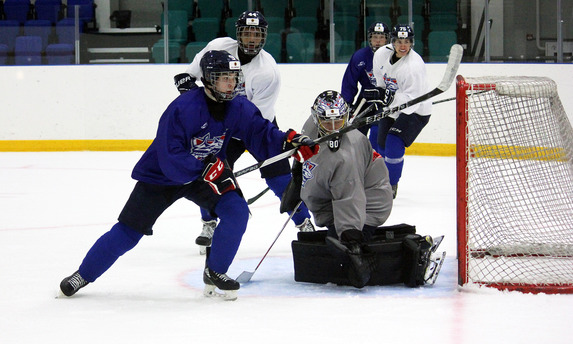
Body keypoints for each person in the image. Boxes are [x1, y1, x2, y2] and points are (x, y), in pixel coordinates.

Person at [59, 50, 319, 301]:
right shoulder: (183, 108)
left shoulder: (238, 107)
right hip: (161, 176)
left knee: (236, 211)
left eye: (233, 78)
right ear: (207, 78)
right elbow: (170, 154)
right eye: (223, 78)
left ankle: (215, 270)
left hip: (204, 175)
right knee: (128, 232)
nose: (231, 84)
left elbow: (260, 132)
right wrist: (204, 168)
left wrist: (289, 141)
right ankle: (83, 274)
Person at [174, 11, 315, 253]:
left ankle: (304, 222)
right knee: (209, 172)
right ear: (238, 34)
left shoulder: (268, 72)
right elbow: (186, 77)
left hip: (256, 126)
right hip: (222, 124)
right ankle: (209, 222)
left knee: (280, 178)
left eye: (256, 34)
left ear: (264, 37)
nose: (251, 39)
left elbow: (251, 119)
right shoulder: (218, 47)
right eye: (247, 33)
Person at [295, 90, 394, 288]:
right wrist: (297, 178)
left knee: (340, 254)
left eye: (338, 121)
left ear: (346, 117)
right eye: (327, 122)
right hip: (335, 198)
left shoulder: (347, 154)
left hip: (367, 204)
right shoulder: (310, 128)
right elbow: (308, 157)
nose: (333, 128)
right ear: (316, 118)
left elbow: (351, 196)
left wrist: (352, 239)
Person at [371, 24, 431, 199]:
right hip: (393, 108)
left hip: (417, 110)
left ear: (412, 43)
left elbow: (411, 103)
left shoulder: (413, 67)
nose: (403, 46)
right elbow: (380, 80)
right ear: (393, 42)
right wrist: (381, 93)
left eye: (407, 42)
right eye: (399, 41)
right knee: (380, 144)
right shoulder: (382, 54)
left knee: (393, 142)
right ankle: (381, 180)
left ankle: (391, 184)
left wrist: (390, 98)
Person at [340, 21, 390, 153]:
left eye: (381, 38)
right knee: (354, 132)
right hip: (365, 99)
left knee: (376, 130)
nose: (378, 41)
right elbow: (349, 82)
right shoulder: (360, 56)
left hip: (385, 102)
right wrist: (347, 104)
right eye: (375, 37)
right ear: (370, 39)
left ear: (387, 39)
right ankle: (357, 162)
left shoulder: (393, 56)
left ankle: (376, 162)